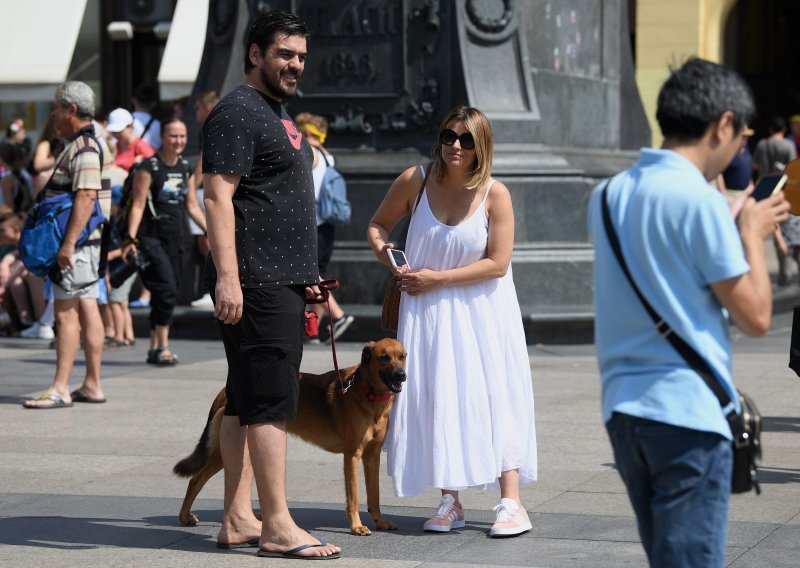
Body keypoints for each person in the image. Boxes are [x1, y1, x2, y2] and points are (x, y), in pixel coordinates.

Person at [587, 58, 789, 567]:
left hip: (623, 411)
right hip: (686, 416)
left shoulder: (605, 196)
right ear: (721, 124)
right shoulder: (698, 202)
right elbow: (756, 317)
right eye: (741, 136)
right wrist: (752, 234)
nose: (740, 147)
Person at [202, 11, 340, 559]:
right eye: (285, 53)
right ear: (255, 53)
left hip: (280, 279)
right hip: (258, 283)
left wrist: (310, 280)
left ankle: (238, 517)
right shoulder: (237, 112)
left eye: (301, 56)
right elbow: (217, 198)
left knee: (244, 398)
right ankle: (278, 524)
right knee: (270, 403)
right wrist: (229, 279)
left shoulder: (272, 113)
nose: (295, 64)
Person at [367, 105, 538, 536]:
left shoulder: (495, 194)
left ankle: (511, 502)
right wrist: (393, 260)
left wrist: (435, 278)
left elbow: (499, 263)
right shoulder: (416, 181)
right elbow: (377, 226)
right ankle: (450, 499)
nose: (455, 146)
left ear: (482, 146)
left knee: (493, 397)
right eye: (448, 136)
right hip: (426, 312)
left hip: (481, 314)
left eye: (465, 139)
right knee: (437, 395)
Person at [23, 81, 113, 409]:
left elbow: (87, 196)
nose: (53, 114)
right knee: (85, 308)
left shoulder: (85, 146)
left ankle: (60, 387)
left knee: (66, 314)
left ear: (71, 109)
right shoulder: (86, 142)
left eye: (57, 107)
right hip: (86, 244)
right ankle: (92, 385)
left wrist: (67, 245)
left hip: (77, 244)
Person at [123, 118, 206, 364]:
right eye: (173, 136)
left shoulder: (185, 167)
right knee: (168, 290)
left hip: (176, 238)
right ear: (163, 137)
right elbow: (138, 205)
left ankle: (154, 347)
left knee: (164, 291)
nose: (178, 141)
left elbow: (191, 205)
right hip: (151, 237)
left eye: (182, 136)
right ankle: (163, 346)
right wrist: (131, 237)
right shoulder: (149, 167)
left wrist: (210, 230)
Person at [295, 112, 354, 343]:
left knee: (311, 276)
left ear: (307, 132)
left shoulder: (308, 154)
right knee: (316, 276)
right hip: (326, 227)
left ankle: (338, 315)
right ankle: (312, 332)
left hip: (311, 226)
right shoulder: (328, 156)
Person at [188, 90, 219, 309]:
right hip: (213, 187)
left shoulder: (210, 126)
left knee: (207, 238)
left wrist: (191, 185)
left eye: (198, 108)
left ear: (206, 108)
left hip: (206, 188)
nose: (195, 112)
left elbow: (202, 160)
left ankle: (215, 286)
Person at [105, 108, 155, 172]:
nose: (116, 135)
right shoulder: (115, 146)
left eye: (119, 131)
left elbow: (154, 170)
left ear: (130, 127)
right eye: (113, 132)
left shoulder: (141, 146)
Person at [131, 84, 162, 150]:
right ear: (154, 104)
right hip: (149, 159)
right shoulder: (158, 125)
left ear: (134, 101)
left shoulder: (124, 121)